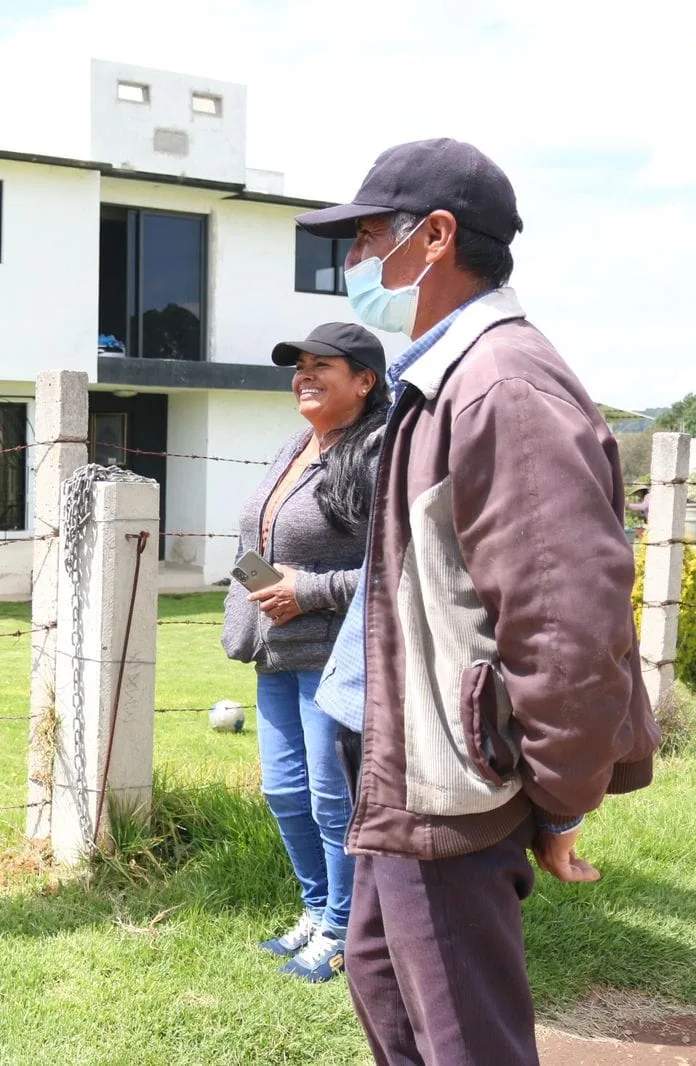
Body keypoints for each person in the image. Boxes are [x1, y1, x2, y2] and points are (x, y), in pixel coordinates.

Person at [298, 139, 660, 1065]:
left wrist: (564, 800)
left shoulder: (502, 386)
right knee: (396, 1009)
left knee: (464, 1040)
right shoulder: (446, 378)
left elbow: (568, 626)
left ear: (436, 238)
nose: (352, 263)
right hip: (404, 782)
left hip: (453, 796)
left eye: (369, 236)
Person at [222, 321, 387, 983]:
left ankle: (344, 928)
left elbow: (396, 565)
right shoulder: (296, 444)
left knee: (331, 799)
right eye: (299, 367)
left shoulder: (379, 453)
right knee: (284, 793)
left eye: (324, 366)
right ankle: (316, 910)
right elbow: (261, 540)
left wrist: (308, 591)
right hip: (276, 651)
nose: (305, 376)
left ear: (365, 381)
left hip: (335, 658)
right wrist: (257, 602)